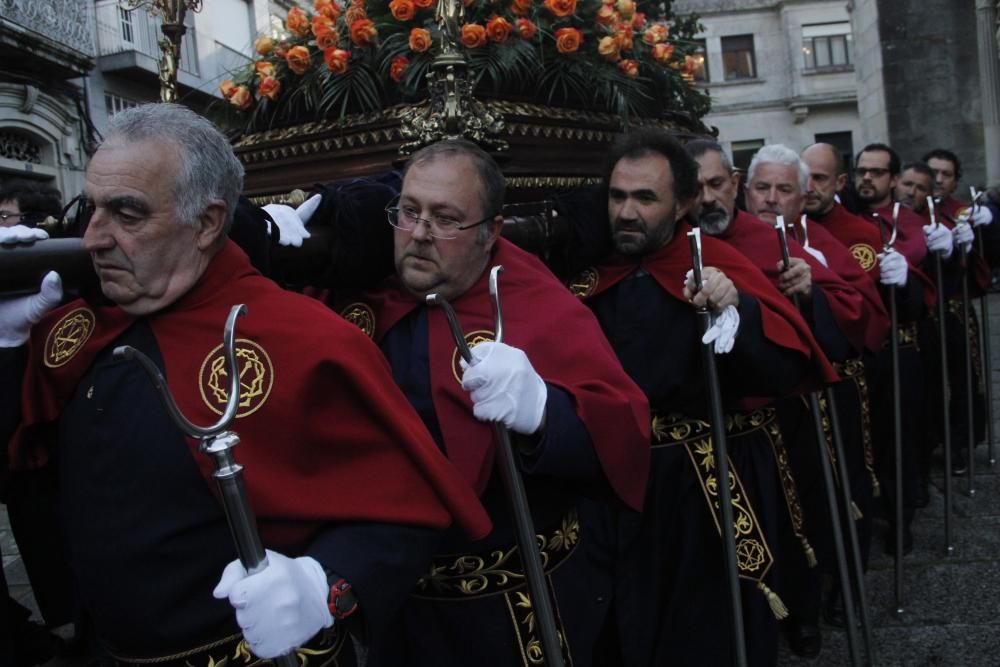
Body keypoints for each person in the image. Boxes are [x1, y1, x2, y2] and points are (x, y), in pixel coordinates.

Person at [0, 103, 492, 666]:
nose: (93, 239)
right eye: (92, 208)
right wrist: (7, 350)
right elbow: (24, 470)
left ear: (208, 222)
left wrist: (322, 583)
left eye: (127, 213)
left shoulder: (305, 341)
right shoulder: (77, 329)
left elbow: (404, 511)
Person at [322, 139, 651, 667]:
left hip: (515, 607)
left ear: (491, 231)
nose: (420, 235)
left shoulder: (532, 304)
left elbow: (622, 431)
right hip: (400, 610)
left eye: (446, 219)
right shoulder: (364, 300)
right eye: (409, 212)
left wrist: (546, 412)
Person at [560, 128, 836, 666]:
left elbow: (783, 365)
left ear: (683, 203)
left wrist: (736, 315)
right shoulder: (590, 274)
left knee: (705, 633)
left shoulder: (713, 264)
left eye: (645, 198)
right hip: (611, 489)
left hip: (699, 483)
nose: (627, 212)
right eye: (617, 197)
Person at [742, 143, 892, 657]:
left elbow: (861, 309)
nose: (770, 199)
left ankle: (828, 596)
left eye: (784, 189)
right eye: (762, 188)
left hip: (816, 403)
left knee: (824, 500)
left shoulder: (823, 244)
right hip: (755, 408)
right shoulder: (728, 244)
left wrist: (814, 295)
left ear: (803, 198)